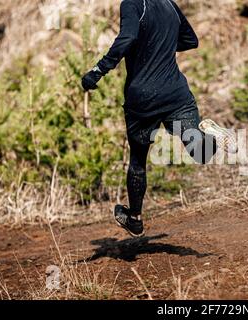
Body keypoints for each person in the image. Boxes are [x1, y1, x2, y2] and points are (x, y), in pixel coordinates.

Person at [81, 0, 236, 238]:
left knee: (138, 160)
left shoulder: (132, 4)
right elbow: (190, 40)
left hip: (143, 100)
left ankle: (135, 220)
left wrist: (98, 70)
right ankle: (214, 137)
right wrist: (160, 48)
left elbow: (127, 38)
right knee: (200, 152)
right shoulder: (168, 4)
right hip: (176, 94)